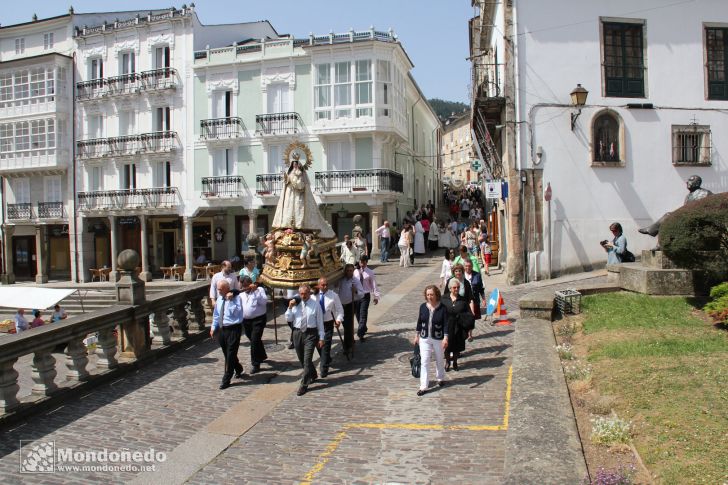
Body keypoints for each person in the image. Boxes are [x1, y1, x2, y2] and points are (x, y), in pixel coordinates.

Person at [272, 152, 336, 238]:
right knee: (289, 208)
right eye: (293, 164)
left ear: (298, 165)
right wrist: (286, 178)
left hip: (298, 195)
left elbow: (301, 185)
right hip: (290, 194)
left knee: (298, 209)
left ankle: (299, 226)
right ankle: (288, 226)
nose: (294, 165)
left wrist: (294, 182)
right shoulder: (290, 172)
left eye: (296, 164)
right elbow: (287, 182)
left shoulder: (300, 173)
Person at [285, 284, 325, 396]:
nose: (303, 296)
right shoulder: (296, 304)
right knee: (302, 359)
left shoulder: (315, 305)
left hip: (311, 334)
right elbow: (288, 318)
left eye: (305, 293)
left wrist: (321, 338)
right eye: (301, 294)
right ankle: (312, 373)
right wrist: (289, 307)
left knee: (307, 360)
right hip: (297, 333)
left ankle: (304, 384)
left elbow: (320, 323)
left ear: (309, 293)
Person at [414, 285, 449, 396]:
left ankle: (440, 378)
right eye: (428, 294)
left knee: (439, 358)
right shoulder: (423, 307)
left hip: (438, 338)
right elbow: (419, 322)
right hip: (425, 338)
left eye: (431, 294)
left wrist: (445, 338)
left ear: (436, 295)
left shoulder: (443, 308)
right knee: (424, 361)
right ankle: (423, 386)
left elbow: (446, 324)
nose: (429, 297)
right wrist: (417, 335)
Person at [211, 279, 245, 390]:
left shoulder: (236, 299)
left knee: (230, 353)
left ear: (227, 289)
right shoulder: (220, 299)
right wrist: (213, 327)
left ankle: (226, 378)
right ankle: (238, 368)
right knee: (227, 353)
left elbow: (235, 313)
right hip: (222, 329)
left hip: (233, 329)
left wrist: (230, 301)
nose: (218, 291)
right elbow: (216, 314)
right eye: (217, 289)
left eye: (220, 289)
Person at [441, 278, 474, 372]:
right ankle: (448, 361)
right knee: (447, 347)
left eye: (458, 287)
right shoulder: (444, 299)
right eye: (454, 287)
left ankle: (455, 361)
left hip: (458, 326)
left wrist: (468, 327)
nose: (456, 289)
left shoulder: (463, 300)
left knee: (456, 348)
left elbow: (469, 314)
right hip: (447, 326)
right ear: (450, 288)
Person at [238, 276, 269, 374]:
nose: (245, 288)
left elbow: (264, 302)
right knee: (253, 339)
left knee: (254, 340)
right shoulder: (241, 294)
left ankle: (255, 363)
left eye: (247, 286)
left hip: (258, 320)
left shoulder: (259, 290)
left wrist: (255, 291)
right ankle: (262, 355)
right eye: (243, 286)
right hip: (246, 321)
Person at [315, 277, 344, 378]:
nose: (325, 286)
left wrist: (338, 320)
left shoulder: (333, 295)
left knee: (325, 346)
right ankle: (327, 359)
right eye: (323, 285)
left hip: (328, 324)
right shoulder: (313, 296)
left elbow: (340, 310)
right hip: (316, 325)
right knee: (318, 345)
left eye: (327, 284)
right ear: (318, 285)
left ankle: (324, 368)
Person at [336, 264, 364, 359]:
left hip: (350, 305)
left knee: (348, 326)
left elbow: (362, 294)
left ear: (353, 271)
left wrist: (355, 291)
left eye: (350, 271)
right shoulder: (341, 280)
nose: (349, 272)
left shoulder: (355, 281)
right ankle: (350, 341)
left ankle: (347, 346)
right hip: (341, 306)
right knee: (345, 326)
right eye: (347, 270)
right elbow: (337, 289)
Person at [353, 255, 380, 342]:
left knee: (363, 314)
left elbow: (374, 285)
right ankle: (363, 327)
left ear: (366, 262)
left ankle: (360, 333)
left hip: (365, 295)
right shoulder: (355, 271)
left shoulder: (370, 272)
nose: (362, 264)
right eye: (361, 262)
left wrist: (376, 296)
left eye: (364, 262)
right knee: (358, 314)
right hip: (357, 296)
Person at [463, 259, 484, 329]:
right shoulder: (461, 276)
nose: (468, 268)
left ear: (472, 266)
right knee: (464, 317)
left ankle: (470, 333)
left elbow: (481, 288)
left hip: (475, 299)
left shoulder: (477, 275)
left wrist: (484, 299)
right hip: (464, 300)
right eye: (466, 266)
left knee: (472, 316)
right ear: (463, 267)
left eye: (469, 266)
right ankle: (466, 331)